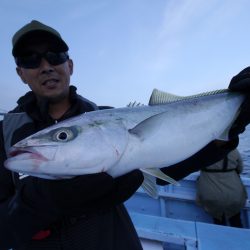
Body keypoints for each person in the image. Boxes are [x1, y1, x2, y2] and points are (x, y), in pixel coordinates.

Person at [0, 20, 250, 250]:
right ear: (20, 73)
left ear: (70, 65)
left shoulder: (105, 117)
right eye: (31, 60)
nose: (46, 67)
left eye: (55, 56)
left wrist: (228, 128)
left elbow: (165, 165)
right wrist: (37, 203)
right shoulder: (7, 135)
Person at [196, 148, 247, 227]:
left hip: (211, 193)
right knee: (236, 220)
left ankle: (220, 234)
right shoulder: (234, 150)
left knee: (218, 221)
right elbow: (240, 169)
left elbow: (195, 166)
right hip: (234, 192)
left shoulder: (203, 151)